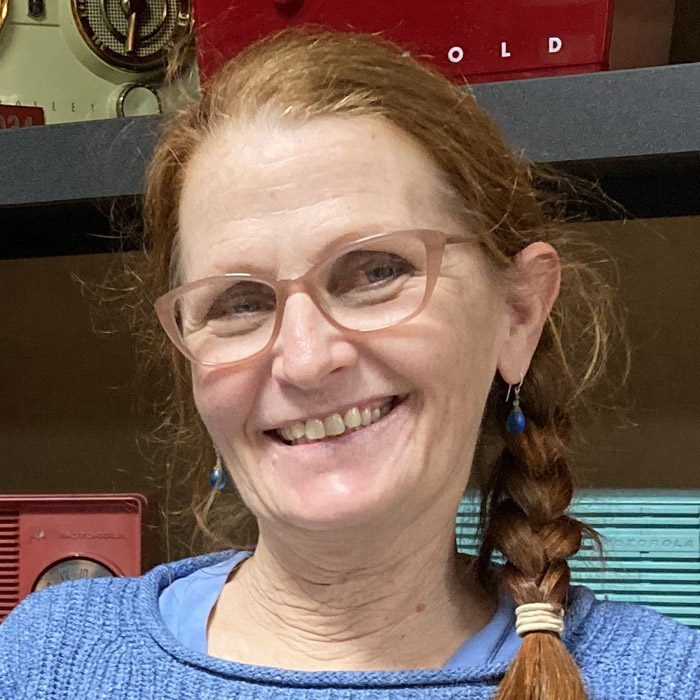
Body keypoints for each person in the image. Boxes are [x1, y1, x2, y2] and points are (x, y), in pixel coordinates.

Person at [1, 28, 698, 700]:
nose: (305, 361)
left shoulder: (661, 680)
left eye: (374, 272)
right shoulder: (48, 658)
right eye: (239, 302)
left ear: (517, 315)